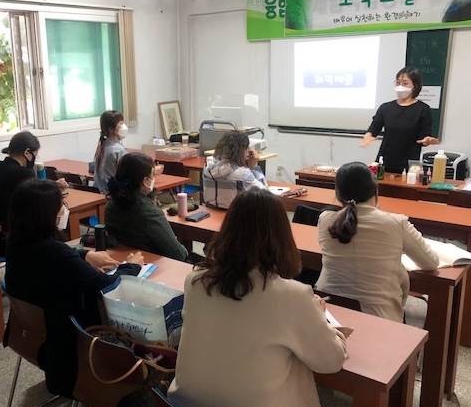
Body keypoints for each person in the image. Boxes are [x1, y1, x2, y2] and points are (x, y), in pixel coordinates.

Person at [167, 188, 347, 407]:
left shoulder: (196, 280)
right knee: (297, 360)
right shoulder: (293, 296)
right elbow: (331, 361)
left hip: (187, 401)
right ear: (282, 235)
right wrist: (319, 318)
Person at [4, 178, 144, 398]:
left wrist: (84, 254)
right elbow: (105, 285)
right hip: (72, 340)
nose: (64, 210)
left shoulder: (16, 244)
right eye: (60, 205)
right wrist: (132, 265)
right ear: (44, 213)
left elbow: (56, 259)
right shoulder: (53, 252)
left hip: (29, 335)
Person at [316, 161, 439, 323]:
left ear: (338, 195)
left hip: (331, 313)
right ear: (375, 190)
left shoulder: (325, 220)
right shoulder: (395, 223)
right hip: (379, 319)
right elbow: (431, 263)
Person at [0, 131, 66, 256]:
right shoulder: (23, 173)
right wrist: (57, 188)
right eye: (35, 155)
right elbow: (39, 200)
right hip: (17, 237)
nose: (34, 160)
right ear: (27, 152)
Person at [105, 152, 189, 261]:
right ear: (145, 181)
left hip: (123, 259)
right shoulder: (150, 213)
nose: (154, 178)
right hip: (156, 266)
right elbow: (178, 254)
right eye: (153, 174)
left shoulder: (110, 205)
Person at [361, 66, 440, 173]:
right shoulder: (386, 108)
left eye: (405, 83)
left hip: (409, 165)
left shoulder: (423, 109)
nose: (400, 86)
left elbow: (424, 138)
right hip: (384, 161)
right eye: (397, 82)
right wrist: (368, 136)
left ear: (415, 86)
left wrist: (427, 141)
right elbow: (373, 129)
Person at [202, 130, 269, 209]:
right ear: (243, 151)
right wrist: (255, 167)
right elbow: (265, 194)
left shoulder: (207, 167)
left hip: (210, 211)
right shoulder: (242, 173)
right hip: (234, 216)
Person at [93, 111, 129, 194]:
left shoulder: (102, 145)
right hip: (114, 196)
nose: (124, 126)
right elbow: (129, 175)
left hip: (101, 193)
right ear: (111, 129)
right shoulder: (119, 150)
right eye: (121, 123)